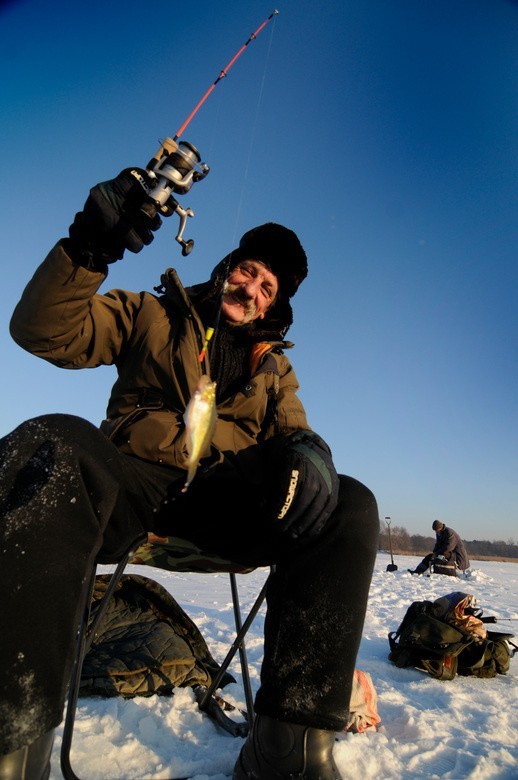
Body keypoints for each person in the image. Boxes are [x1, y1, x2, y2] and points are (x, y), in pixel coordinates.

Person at [0, 167, 379, 780]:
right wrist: (89, 246)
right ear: (228, 266)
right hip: (131, 484)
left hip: (226, 503)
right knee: (53, 439)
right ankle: (10, 745)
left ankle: (289, 750)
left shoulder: (274, 373)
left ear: (275, 305)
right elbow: (41, 331)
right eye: (248, 270)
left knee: (350, 504)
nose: (252, 287)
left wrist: (314, 454)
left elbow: (296, 436)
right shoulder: (151, 314)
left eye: (268, 286)